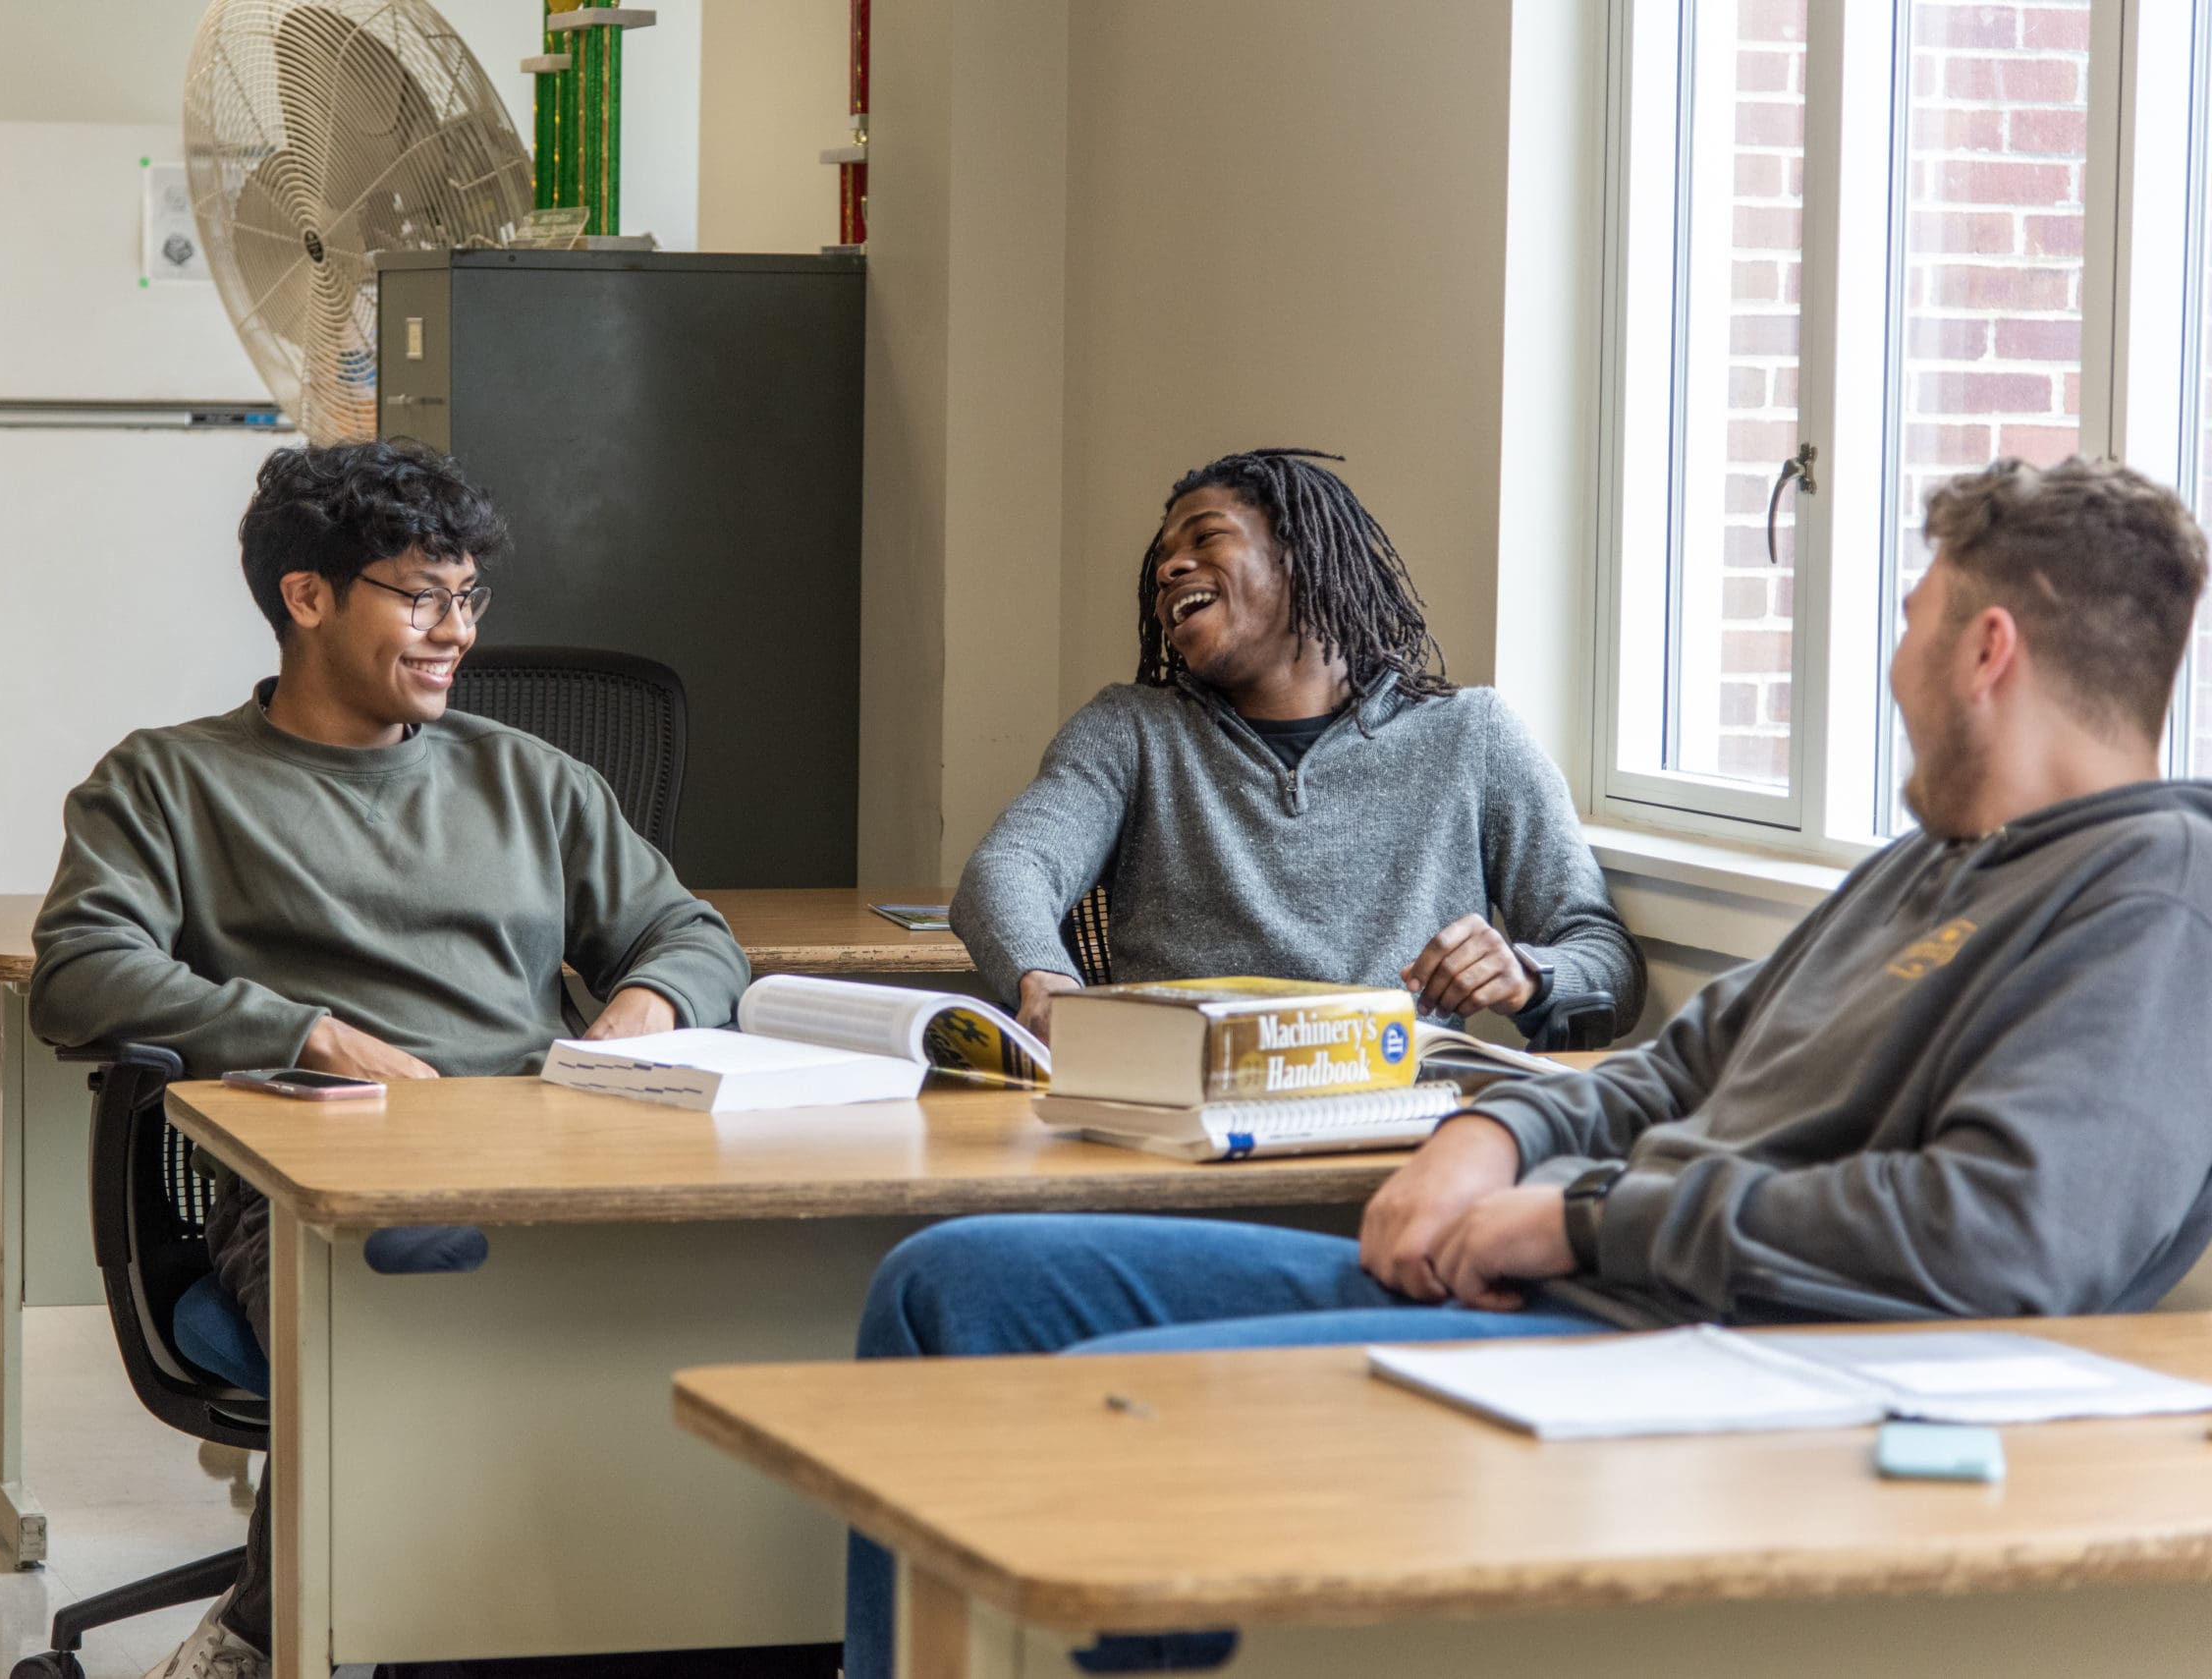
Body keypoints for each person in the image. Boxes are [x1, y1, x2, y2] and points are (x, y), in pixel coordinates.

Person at [846, 455, 2212, 1679]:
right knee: (949, 1286)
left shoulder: (2155, 902)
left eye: (1909, 621)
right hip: (1569, 1278)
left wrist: (1572, 1215)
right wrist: (1485, 1141)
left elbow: (2001, 1237)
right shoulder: (1924, 866)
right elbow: (1675, 1062)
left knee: (1115, 1419)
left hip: (1689, 1352)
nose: (1892, 662)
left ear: (1987, 650)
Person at [28, 440, 750, 1679]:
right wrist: (298, 1029)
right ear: (306, 595)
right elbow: (77, 969)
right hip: (314, 1183)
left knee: (733, 1299)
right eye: (419, 597)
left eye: (467, 598)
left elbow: (690, 932)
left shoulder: (530, 779)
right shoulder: (171, 779)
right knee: (434, 1306)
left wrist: (646, 1004)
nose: (455, 631)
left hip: (546, 1157)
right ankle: (305, 1628)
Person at [952, 447, 1644, 1043]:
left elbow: (1603, 953)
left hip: (1395, 1131)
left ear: (1300, 556)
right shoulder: (1132, 730)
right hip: (1184, 1112)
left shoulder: (1473, 736)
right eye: (1162, 558)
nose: (1168, 570)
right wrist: (1042, 977)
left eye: (1205, 538)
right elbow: (1010, 866)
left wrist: (1527, 973)